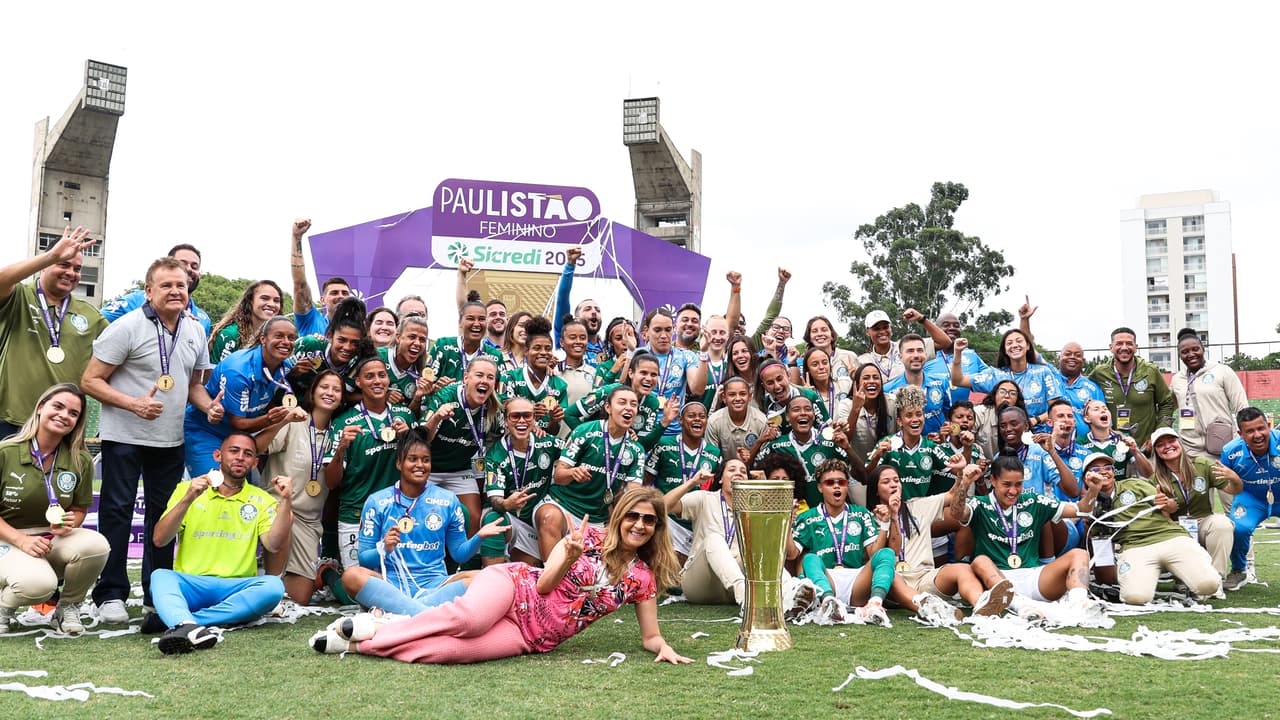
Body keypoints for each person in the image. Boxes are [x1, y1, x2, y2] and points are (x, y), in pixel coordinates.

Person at [311, 487, 691, 667]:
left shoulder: (642, 579)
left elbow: (651, 635)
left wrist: (663, 647)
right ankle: (373, 629)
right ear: (622, 516)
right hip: (514, 587)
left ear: (657, 529)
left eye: (649, 520)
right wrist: (570, 554)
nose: (639, 525)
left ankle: (359, 644)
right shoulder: (585, 537)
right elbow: (544, 584)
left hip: (532, 636)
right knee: (467, 621)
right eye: (633, 516)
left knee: (448, 652)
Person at [81, 257, 219, 623]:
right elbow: (90, 381)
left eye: (182, 286)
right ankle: (110, 594)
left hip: (169, 439)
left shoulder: (194, 330)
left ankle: (157, 593)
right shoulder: (125, 327)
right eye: (167, 285)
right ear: (149, 291)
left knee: (164, 517)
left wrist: (209, 409)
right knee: (117, 511)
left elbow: (193, 386)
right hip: (124, 435)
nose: (176, 291)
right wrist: (133, 404)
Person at [149, 433, 290, 654]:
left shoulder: (262, 499)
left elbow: (273, 545)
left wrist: (286, 503)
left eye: (248, 454)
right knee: (160, 576)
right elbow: (160, 539)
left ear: (255, 463)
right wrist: (188, 498)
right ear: (218, 455)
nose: (240, 457)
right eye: (234, 451)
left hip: (235, 587)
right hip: (192, 585)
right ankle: (188, 621)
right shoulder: (187, 489)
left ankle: (186, 623)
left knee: (273, 587)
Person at [341, 429, 507, 615]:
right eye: (412, 459)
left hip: (435, 584)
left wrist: (479, 536)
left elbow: (459, 555)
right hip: (391, 583)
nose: (420, 465)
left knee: (486, 579)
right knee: (351, 576)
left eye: (425, 460)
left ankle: (402, 611)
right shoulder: (377, 501)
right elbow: (364, 558)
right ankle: (426, 614)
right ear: (399, 463)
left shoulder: (448, 500)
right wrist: (384, 547)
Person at [0, 384, 110, 635]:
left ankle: (68, 607)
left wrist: (71, 522)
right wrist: (22, 540)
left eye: (73, 413)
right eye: (57, 406)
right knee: (39, 585)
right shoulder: (5, 452)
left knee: (96, 545)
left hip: (50, 537)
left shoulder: (79, 459)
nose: (64, 415)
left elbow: (80, 508)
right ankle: (3, 607)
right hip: (7, 538)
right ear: (40, 408)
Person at [951, 449, 1104, 621]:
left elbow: (1081, 510)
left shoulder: (1033, 500)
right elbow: (956, 513)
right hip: (997, 580)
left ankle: (1079, 605)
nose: (1013, 491)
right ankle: (1020, 606)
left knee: (1080, 554)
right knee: (980, 561)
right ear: (993, 481)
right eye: (1007, 484)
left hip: (1034, 577)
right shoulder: (980, 504)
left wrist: (1093, 490)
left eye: (1018, 484)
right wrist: (964, 482)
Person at [868, 463, 1013, 623]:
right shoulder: (869, 518)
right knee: (892, 577)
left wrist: (962, 477)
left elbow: (951, 495)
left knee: (962, 569)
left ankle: (981, 604)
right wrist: (890, 518)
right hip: (893, 580)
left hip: (925, 577)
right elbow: (876, 556)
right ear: (875, 489)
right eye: (886, 481)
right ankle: (934, 610)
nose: (893, 484)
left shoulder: (917, 505)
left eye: (896, 480)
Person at [0, 225, 106, 438]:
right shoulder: (19, 296)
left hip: (63, 424)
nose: (71, 273)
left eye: (77, 269)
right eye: (63, 264)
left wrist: (178, 316)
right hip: (11, 421)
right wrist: (51, 255)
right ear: (45, 266)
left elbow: (123, 344)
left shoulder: (90, 315)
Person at [1081, 451, 1222, 604]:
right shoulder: (1087, 503)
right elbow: (1095, 536)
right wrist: (1093, 494)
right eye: (1095, 469)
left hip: (1170, 537)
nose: (1103, 472)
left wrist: (1167, 503)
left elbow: (1171, 506)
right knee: (1135, 597)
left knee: (1208, 585)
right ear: (1085, 477)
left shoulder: (1134, 484)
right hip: (1135, 547)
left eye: (1107, 468)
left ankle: (1190, 577)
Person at [256, 369, 344, 604]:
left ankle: (316, 573)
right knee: (274, 597)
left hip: (309, 518)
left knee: (299, 598)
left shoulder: (340, 432)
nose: (330, 393)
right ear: (313, 391)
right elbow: (258, 447)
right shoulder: (297, 420)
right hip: (277, 506)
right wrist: (283, 419)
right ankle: (271, 581)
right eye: (324, 387)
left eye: (337, 389)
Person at [325, 354, 416, 569]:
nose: (377, 381)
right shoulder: (343, 422)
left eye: (382, 375)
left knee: (396, 578)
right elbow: (331, 482)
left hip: (397, 511)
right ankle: (328, 573)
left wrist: (410, 437)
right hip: (356, 512)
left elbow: (419, 465)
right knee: (357, 588)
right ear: (358, 382)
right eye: (369, 376)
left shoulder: (404, 416)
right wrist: (341, 449)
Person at [538, 386, 646, 559]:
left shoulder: (637, 450)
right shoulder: (585, 431)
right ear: (608, 408)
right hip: (562, 505)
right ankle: (552, 579)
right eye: (622, 402)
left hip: (596, 517)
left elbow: (632, 494)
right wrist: (573, 473)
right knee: (549, 517)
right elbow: (559, 476)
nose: (628, 408)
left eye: (633, 404)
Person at [183, 316, 298, 476]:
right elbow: (239, 423)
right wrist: (270, 419)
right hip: (206, 431)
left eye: (291, 338)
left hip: (238, 436)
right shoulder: (239, 370)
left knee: (242, 490)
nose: (286, 342)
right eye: (279, 336)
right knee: (216, 484)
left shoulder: (285, 366)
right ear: (263, 339)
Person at [787, 460, 896, 624]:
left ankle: (874, 605)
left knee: (887, 554)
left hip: (857, 580)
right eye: (830, 483)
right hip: (826, 578)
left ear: (847, 486)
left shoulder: (861, 514)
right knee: (809, 559)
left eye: (842, 482)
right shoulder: (808, 517)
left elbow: (874, 554)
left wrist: (885, 525)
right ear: (820, 487)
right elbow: (791, 554)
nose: (837, 487)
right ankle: (829, 603)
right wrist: (787, 523)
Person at [421, 356, 501, 538]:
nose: (484, 381)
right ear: (466, 377)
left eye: (490, 377)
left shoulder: (495, 405)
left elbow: (515, 418)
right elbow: (422, 438)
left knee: (473, 517)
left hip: (459, 469)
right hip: (429, 468)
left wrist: (534, 426)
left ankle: (465, 564)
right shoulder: (446, 396)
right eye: (479, 375)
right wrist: (436, 418)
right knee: (425, 516)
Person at [1148, 427, 1240, 579]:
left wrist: (1234, 478)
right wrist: (1168, 510)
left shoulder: (1202, 465)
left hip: (1203, 521)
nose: (1168, 446)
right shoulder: (1155, 479)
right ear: (1156, 451)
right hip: (1175, 527)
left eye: (1171, 441)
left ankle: (1216, 579)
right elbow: (1156, 520)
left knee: (1221, 523)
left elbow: (1234, 490)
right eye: (1160, 445)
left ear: (1180, 443)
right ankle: (1182, 576)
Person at [480, 398, 563, 566]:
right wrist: (506, 504)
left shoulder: (547, 442)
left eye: (527, 416)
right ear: (505, 421)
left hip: (540, 522)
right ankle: (492, 579)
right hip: (514, 522)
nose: (522, 421)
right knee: (494, 518)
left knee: (533, 572)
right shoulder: (495, 456)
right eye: (515, 416)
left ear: (534, 419)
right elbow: (495, 501)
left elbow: (576, 449)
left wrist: (629, 434)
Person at [663, 459, 748, 606]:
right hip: (701, 583)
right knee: (713, 539)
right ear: (721, 479)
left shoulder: (754, 508)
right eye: (732, 470)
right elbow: (662, 506)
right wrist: (692, 483)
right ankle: (746, 597)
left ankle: (787, 592)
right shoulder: (704, 498)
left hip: (733, 585)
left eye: (743, 471)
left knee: (757, 549)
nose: (738, 474)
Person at [644, 402, 723, 561]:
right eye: (691, 416)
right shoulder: (664, 446)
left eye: (702, 416)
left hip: (696, 522)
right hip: (668, 520)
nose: (697, 420)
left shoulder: (714, 453)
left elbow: (715, 491)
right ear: (680, 420)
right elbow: (645, 483)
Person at [865, 386, 971, 501]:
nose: (915, 419)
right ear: (899, 421)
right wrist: (877, 456)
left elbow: (959, 470)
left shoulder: (930, 447)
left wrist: (967, 447)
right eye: (909, 415)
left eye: (919, 414)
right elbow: (867, 477)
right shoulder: (887, 444)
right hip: (891, 508)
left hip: (921, 509)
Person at [950, 332, 1063, 433]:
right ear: (1004, 350)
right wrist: (958, 352)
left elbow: (1056, 409)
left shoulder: (1043, 372)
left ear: (1028, 346)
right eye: (1009, 343)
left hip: (1040, 435)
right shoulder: (995, 375)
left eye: (1019, 341)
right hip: (1008, 435)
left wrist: (1035, 420)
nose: (1014, 345)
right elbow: (957, 380)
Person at [1218, 407, 1280, 591]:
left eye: (1261, 428)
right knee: (1238, 528)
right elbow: (1226, 487)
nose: (1258, 435)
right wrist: (1235, 481)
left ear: (1268, 426)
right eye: (1250, 431)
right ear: (1240, 434)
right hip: (1252, 498)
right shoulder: (1230, 452)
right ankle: (1239, 570)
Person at [753, 396, 853, 508]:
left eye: (808, 409)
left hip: (827, 517)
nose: (803, 413)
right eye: (796, 410)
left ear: (814, 416)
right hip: (793, 515)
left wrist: (848, 448)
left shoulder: (830, 442)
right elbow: (752, 472)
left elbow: (861, 477)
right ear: (787, 417)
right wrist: (758, 443)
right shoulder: (776, 445)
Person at [565, 352, 677, 452]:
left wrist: (664, 423)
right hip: (583, 451)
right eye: (643, 373)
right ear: (631, 373)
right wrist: (590, 439)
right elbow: (569, 414)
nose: (649, 378)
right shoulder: (609, 392)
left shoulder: (652, 403)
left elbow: (643, 447)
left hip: (616, 459)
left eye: (654, 375)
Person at [1088, 326, 1176, 448]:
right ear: (1111, 347)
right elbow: (1086, 402)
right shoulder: (1099, 373)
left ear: (1136, 347)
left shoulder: (1150, 371)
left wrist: (1158, 435)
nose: (1124, 347)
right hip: (1111, 448)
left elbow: (1167, 403)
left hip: (1145, 448)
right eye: (1119, 343)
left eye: (1129, 343)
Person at [1169, 328, 1249, 459]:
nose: (1191, 354)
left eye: (1195, 349)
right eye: (1185, 352)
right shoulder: (1177, 379)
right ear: (1179, 355)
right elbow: (1167, 408)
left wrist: (1246, 438)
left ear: (1203, 349)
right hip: (1190, 449)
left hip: (1223, 445)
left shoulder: (1222, 371)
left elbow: (1242, 407)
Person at [101, 243, 212, 333]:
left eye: (194, 266)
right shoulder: (134, 300)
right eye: (182, 264)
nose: (189, 269)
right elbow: (94, 322)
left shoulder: (203, 319)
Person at [498, 316, 568, 436]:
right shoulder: (509, 378)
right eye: (537, 348)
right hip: (513, 445)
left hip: (542, 449)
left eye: (548, 348)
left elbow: (553, 431)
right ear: (526, 350)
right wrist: (529, 410)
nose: (543, 353)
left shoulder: (560, 385)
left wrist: (553, 420)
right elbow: (503, 412)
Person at [289, 296, 368, 398]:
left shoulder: (358, 363)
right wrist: (291, 372)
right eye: (342, 340)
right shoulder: (309, 345)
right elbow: (274, 375)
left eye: (355, 343)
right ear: (330, 335)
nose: (348, 347)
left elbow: (347, 397)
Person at [641, 310, 704, 435]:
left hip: (674, 432)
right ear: (647, 331)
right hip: (642, 430)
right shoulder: (638, 355)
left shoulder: (686, 356)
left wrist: (705, 354)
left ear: (674, 329)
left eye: (668, 329)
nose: (664, 335)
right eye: (657, 330)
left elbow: (697, 390)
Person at [290, 219, 351, 337]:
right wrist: (296, 237)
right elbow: (299, 284)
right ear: (322, 300)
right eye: (334, 293)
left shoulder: (358, 329)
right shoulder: (312, 321)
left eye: (345, 293)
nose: (340, 296)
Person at [883, 333, 951, 437]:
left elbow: (950, 417)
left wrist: (947, 431)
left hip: (938, 449)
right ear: (900, 357)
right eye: (910, 351)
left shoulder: (942, 382)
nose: (916, 355)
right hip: (905, 452)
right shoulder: (888, 390)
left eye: (920, 350)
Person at [429, 300, 504, 386]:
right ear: (460, 322)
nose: (476, 324)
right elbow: (426, 384)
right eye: (470, 319)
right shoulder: (442, 346)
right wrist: (438, 388)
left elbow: (502, 395)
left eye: (482, 319)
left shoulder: (496, 357)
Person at [552, 248, 606, 365]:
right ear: (576, 319)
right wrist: (570, 265)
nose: (594, 312)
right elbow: (562, 298)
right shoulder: (567, 337)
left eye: (597, 310)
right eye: (587, 309)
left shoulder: (608, 348)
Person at [1077, 399, 1153, 481]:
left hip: (1119, 491)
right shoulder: (1080, 442)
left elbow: (1148, 475)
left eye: (1105, 408)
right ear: (1087, 418)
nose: (1103, 411)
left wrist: (1135, 451)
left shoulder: (1124, 439)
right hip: (1093, 490)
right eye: (1096, 409)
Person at [857, 309, 941, 383]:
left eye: (886, 327)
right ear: (867, 332)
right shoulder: (863, 360)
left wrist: (921, 319)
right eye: (876, 329)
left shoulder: (907, 346)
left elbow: (944, 342)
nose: (882, 331)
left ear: (891, 328)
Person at [209, 280, 283, 362]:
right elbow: (219, 372)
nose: (271, 304)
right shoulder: (231, 334)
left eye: (276, 300)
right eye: (265, 298)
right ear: (250, 301)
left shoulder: (273, 339)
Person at [841, 363, 898, 465]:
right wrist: (856, 408)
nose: (871, 381)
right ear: (857, 383)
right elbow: (845, 439)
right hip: (858, 470)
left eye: (876, 378)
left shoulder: (891, 402)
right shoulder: (846, 405)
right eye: (866, 378)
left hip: (887, 467)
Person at [705, 376, 768, 467]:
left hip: (754, 472)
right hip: (723, 473)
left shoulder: (761, 420)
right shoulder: (714, 421)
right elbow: (711, 458)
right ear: (724, 397)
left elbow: (764, 458)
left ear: (750, 396)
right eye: (732, 394)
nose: (738, 398)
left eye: (742, 394)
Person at [754, 359, 828, 434]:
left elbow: (827, 430)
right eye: (770, 383)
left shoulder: (810, 396)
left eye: (779, 379)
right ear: (764, 386)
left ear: (788, 375)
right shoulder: (764, 404)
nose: (777, 386)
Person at [380, 314, 435, 415]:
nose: (417, 343)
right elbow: (349, 395)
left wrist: (417, 397)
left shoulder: (425, 370)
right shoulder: (378, 356)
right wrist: (382, 397)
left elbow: (413, 417)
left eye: (422, 340)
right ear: (398, 338)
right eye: (412, 337)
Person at [933, 312, 989, 405]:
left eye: (956, 325)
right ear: (936, 330)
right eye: (946, 325)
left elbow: (992, 378)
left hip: (962, 417)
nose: (952, 328)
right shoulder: (926, 355)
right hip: (934, 417)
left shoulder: (971, 355)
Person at [1052, 341, 1105, 432]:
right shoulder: (1049, 379)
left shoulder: (1093, 388)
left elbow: (1102, 419)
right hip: (1051, 441)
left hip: (1083, 444)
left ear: (1083, 361)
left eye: (1077, 355)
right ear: (1059, 358)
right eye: (1067, 354)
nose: (1072, 357)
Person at [802, 315, 859, 386]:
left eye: (824, 330)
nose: (819, 334)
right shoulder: (804, 362)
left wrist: (856, 377)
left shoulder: (849, 356)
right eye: (814, 331)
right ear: (809, 337)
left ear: (832, 335)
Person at [973, 380, 1024, 459]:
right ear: (994, 395)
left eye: (1012, 393)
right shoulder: (979, 413)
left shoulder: (1021, 416)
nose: (1007, 396)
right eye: (1002, 392)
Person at [555, 317, 598, 410]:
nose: (578, 342)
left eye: (582, 338)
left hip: (587, 424)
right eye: (572, 338)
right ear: (562, 342)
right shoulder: (553, 372)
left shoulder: (594, 373)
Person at [798, 346, 846, 422]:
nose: (821, 367)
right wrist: (809, 398)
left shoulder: (845, 385)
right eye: (815, 364)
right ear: (808, 369)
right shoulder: (803, 395)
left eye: (825, 363)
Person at [594, 317, 638, 388]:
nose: (625, 342)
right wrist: (612, 371)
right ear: (611, 342)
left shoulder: (644, 364)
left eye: (629, 335)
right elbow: (595, 394)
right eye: (618, 338)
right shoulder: (603, 368)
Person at [498, 310, 531, 374]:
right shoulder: (497, 356)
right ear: (511, 329)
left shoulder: (537, 359)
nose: (526, 329)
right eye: (521, 325)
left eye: (530, 327)